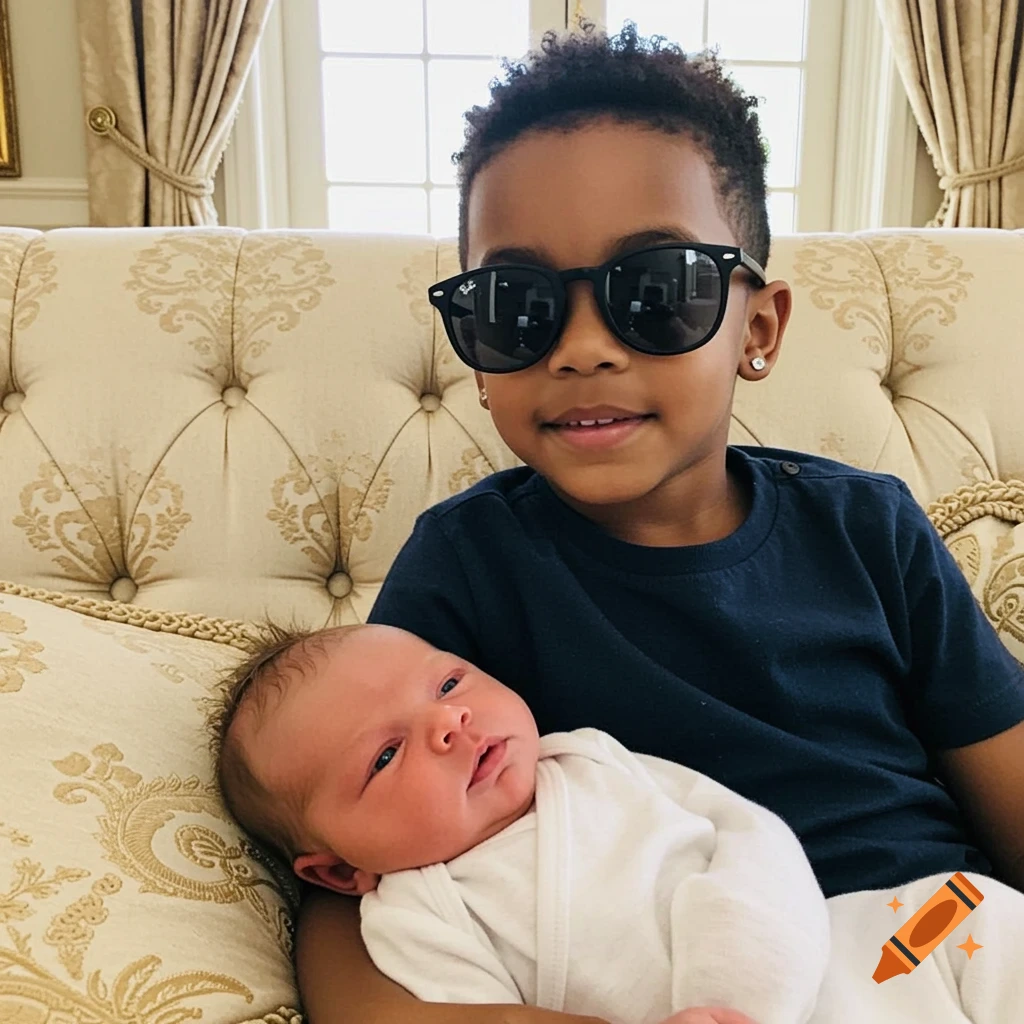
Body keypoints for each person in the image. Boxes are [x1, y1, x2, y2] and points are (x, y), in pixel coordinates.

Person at [295, 25, 1024, 1024]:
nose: (583, 347)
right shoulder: (466, 564)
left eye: (657, 291)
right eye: (515, 307)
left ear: (757, 327)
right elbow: (352, 896)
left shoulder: (869, 528)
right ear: (476, 355)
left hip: (933, 946)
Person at [212, 622, 1024, 1024]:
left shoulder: (590, 759)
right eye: (387, 756)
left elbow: (749, 840)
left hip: (839, 960)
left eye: (450, 684)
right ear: (339, 871)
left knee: (966, 907)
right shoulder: (416, 918)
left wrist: (732, 992)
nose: (448, 725)